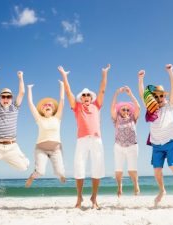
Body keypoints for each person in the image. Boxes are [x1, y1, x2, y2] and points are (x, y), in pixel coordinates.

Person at [58, 64, 111, 209]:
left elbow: (103, 89)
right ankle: (79, 198)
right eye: (84, 95)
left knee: (97, 168)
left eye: (88, 95)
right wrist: (64, 76)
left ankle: (94, 198)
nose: (86, 96)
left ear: (91, 98)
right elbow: (68, 92)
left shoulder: (97, 105)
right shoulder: (77, 107)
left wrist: (104, 73)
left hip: (96, 139)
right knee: (79, 168)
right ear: (81, 98)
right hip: (81, 140)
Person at [138, 64, 173, 206]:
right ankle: (162, 190)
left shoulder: (170, 106)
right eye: (156, 96)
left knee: (172, 166)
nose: (159, 97)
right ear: (153, 97)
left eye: (161, 95)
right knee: (157, 170)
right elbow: (142, 94)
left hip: (171, 141)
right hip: (156, 144)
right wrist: (141, 80)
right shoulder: (151, 109)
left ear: (164, 97)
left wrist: (171, 72)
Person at [25, 80, 66, 188]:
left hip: (56, 150)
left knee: (60, 172)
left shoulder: (57, 118)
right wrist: (29, 88)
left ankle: (61, 175)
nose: (47, 106)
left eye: (50, 105)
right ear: (42, 111)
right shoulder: (39, 119)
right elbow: (30, 104)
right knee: (40, 172)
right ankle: (31, 177)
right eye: (45, 105)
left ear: (53, 110)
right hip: (41, 149)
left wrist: (62, 85)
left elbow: (62, 100)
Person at [111, 86, 140, 198]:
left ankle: (136, 185)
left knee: (131, 170)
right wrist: (116, 93)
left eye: (128, 109)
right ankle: (119, 187)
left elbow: (138, 107)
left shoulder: (133, 118)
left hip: (132, 147)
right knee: (118, 170)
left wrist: (130, 94)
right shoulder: (116, 119)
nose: (126, 111)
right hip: (119, 147)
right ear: (119, 111)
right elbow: (112, 107)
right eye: (123, 109)